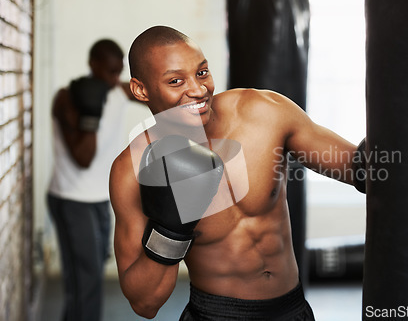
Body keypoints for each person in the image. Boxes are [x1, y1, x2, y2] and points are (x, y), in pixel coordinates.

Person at [109, 26, 365, 320]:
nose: (197, 89)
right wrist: (171, 229)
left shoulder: (264, 113)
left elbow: (359, 169)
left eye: (202, 72)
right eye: (176, 81)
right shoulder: (131, 171)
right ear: (141, 90)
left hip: (292, 310)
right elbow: (145, 304)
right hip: (217, 315)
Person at [48, 39, 135, 321]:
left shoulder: (118, 92)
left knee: (93, 274)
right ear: (92, 65)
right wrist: (90, 111)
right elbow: (84, 158)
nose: (114, 79)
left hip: (100, 199)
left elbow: (155, 93)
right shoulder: (66, 98)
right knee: (85, 282)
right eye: (109, 71)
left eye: (118, 72)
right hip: (72, 199)